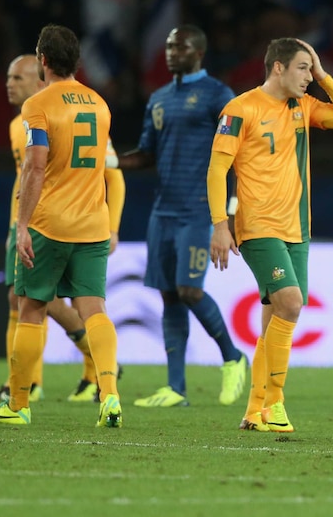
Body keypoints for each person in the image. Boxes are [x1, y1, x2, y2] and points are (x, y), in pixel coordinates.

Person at [208, 37, 333, 433]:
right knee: (291, 304)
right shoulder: (240, 109)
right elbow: (216, 170)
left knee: (276, 317)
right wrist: (219, 224)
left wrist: (326, 75)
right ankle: (275, 403)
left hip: (297, 226)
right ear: (277, 67)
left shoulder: (303, 107)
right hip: (258, 225)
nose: (309, 77)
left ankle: (255, 409)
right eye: (302, 68)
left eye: (312, 69)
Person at [0, 24, 122, 427]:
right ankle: (109, 395)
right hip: (94, 223)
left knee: (31, 308)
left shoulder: (38, 105)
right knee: (94, 309)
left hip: (50, 224)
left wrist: (21, 225)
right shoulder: (100, 104)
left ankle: (19, 404)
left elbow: (36, 166)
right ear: (76, 60)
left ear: (43, 60)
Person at [115, 25, 248, 408]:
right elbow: (146, 153)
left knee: (190, 289)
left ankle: (232, 356)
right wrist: (110, 161)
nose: (172, 50)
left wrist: (231, 212)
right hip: (163, 211)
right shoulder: (158, 98)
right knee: (170, 295)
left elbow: (237, 155)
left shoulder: (218, 95)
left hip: (198, 210)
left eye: (180, 45)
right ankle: (176, 388)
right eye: (169, 44)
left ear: (199, 52)